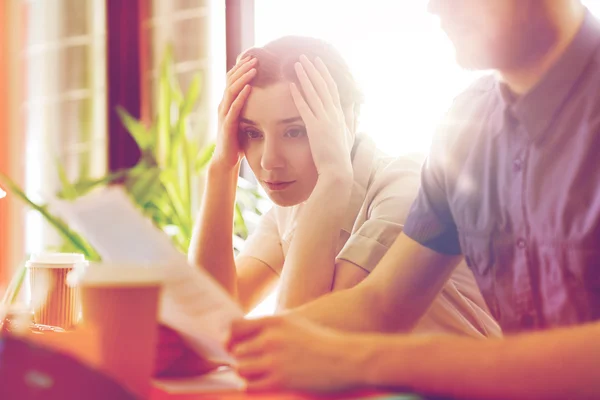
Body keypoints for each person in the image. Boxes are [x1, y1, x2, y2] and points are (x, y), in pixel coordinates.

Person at [228, 1, 600, 398]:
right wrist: (240, 346)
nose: (435, 6)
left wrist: (360, 359)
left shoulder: (396, 181)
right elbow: (380, 305)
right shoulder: (467, 129)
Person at [188, 36, 498, 335]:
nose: (269, 161)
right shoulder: (298, 200)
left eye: (294, 132)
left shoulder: (403, 188)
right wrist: (222, 167)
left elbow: (302, 338)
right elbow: (212, 313)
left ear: (349, 118)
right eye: (252, 134)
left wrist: (335, 176)